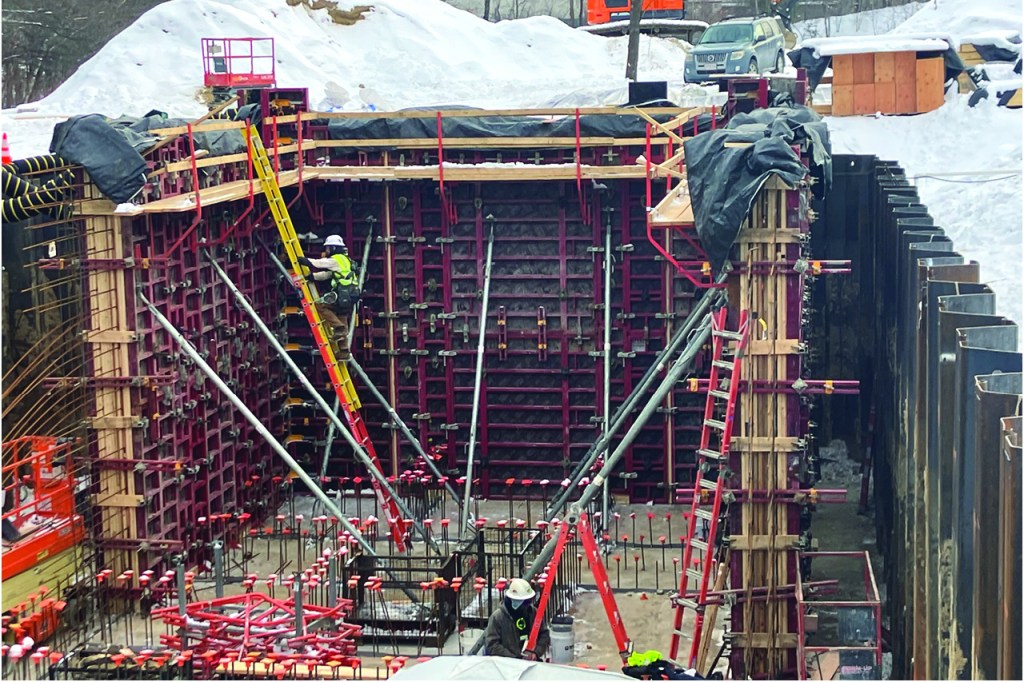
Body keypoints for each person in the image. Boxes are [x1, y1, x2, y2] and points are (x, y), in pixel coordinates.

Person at [296, 235, 360, 360]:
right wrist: (313, 277)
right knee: (342, 316)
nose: (326, 251)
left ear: (333, 247)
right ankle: (344, 351)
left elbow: (319, 263)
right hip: (351, 295)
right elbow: (329, 275)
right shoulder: (346, 260)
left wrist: (302, 260)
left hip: (343, 293)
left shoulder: (335, 259)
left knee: (320, 305)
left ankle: (338, 327)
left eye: (328, 248)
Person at [483, 578, 549, 660]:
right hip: (508, 665)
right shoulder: (498, 617)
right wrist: (515, 658)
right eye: (525, 602)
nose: (527, 605)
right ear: (514, 600)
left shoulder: (532, 613)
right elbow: (492, 645)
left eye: (528, 601)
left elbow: (544, 634)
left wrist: (536, 653)